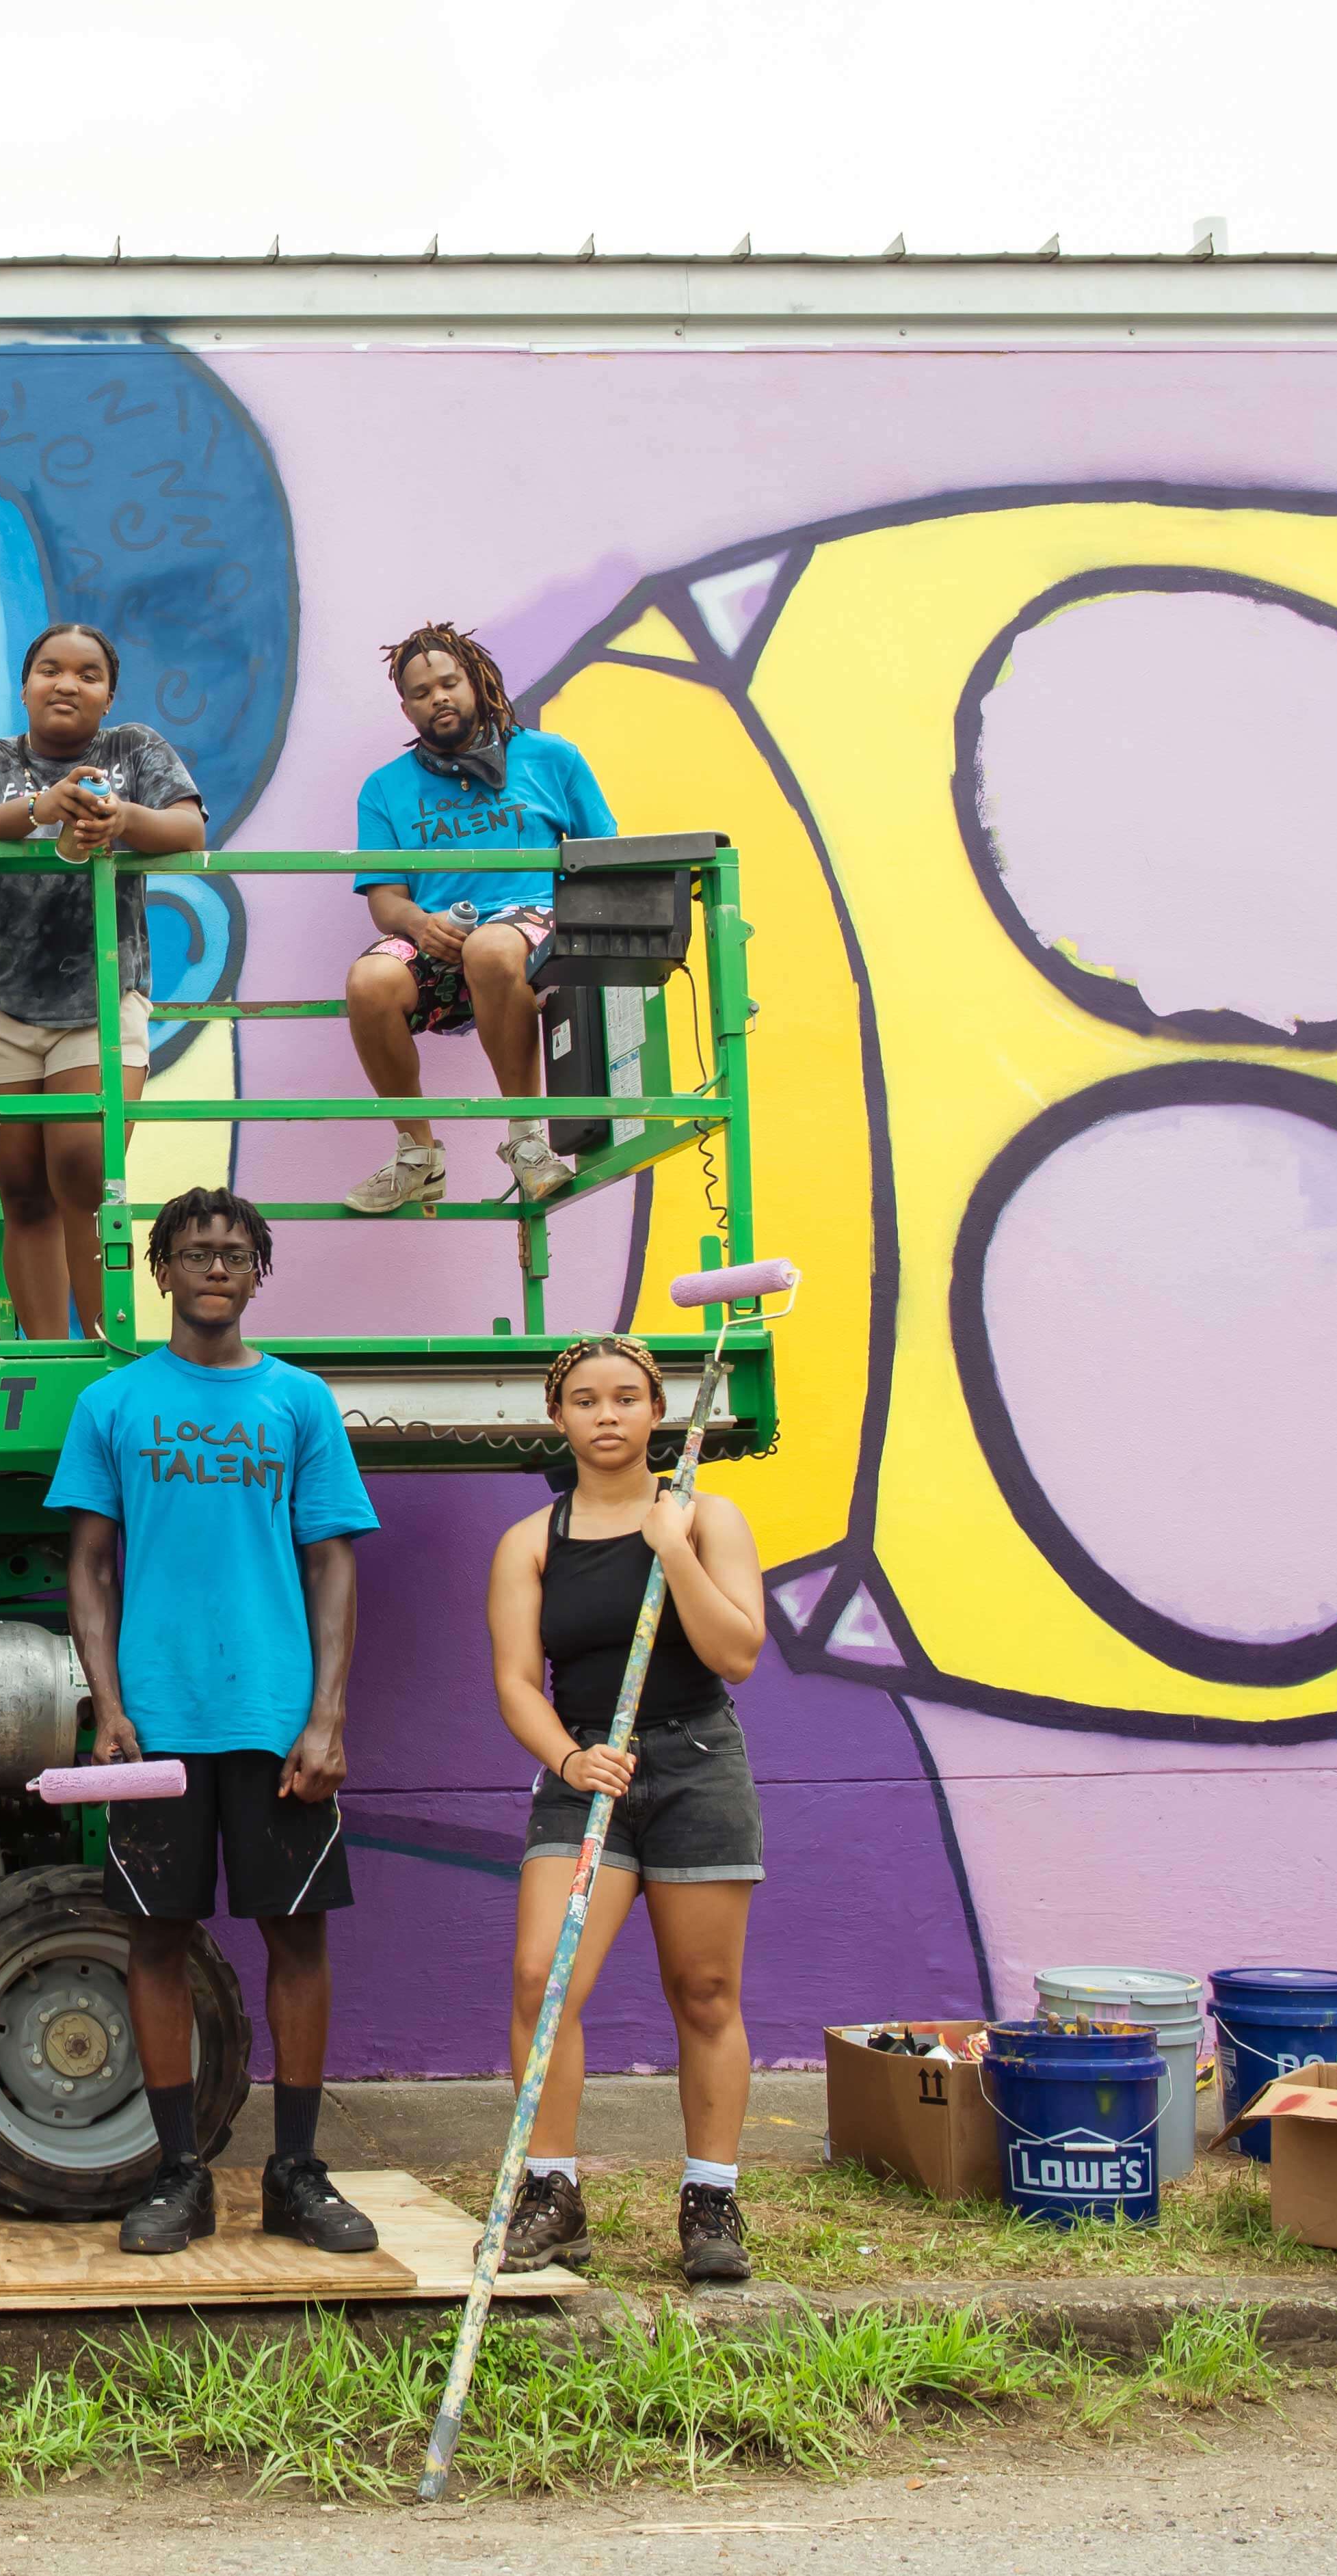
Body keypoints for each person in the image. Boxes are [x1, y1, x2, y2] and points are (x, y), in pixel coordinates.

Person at [49, 1188, 381, 2257]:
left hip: (275, 1719)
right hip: (156, 1730)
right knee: (155, 1936)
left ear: (256, 1273)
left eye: (234, 1254)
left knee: (297, 1933)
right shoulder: (113, 1405)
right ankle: (177, 2173)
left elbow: (331, 1562)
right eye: (193, 1252)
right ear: (159, 1271)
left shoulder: (299, 1403)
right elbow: (89, 1565)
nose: (213, 1268)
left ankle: (295, 2170)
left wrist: (325, 1714)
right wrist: (108, 1707)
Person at [481, 1334, 768, 2285]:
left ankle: (710, 2198)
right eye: (586, 1401)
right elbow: (518, 1682)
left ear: (657, 1413)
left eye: (626, 1398)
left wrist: (672, 1554)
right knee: (540, 1980)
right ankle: (552, 2195)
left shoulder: (707, 1517)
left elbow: (736, 1652)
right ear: (557, 1419)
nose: (607, 1415)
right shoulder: (529, 1542)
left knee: (704, 1992)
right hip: (583, 1767)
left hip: (693, 1760)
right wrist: (569, 1755)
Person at [0, 623, 208, 1342]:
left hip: (100, 996)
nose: (67, 683)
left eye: (88, 674)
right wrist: (41, 808)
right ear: (24, 686)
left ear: (109, 695)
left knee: (86, 1168)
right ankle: (51, 1360)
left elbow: (188, 829)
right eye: (50, 669)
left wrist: (121, 818)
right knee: (23, 1187)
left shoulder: (135, 750)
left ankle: (104, 1347)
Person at [343, 623, 620, 1218]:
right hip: (439, 937)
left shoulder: (552, 757)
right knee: (368, 982)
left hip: (536, 935)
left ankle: (526, 1140)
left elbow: (605, 858)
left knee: (492, 948)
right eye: (421, 692)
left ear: (477, 681)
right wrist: (420, 926)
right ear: (406, 707)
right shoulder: (384, 789)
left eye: (449, 682)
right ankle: (418, 1155)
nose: (438, 697)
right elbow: (385, 901)